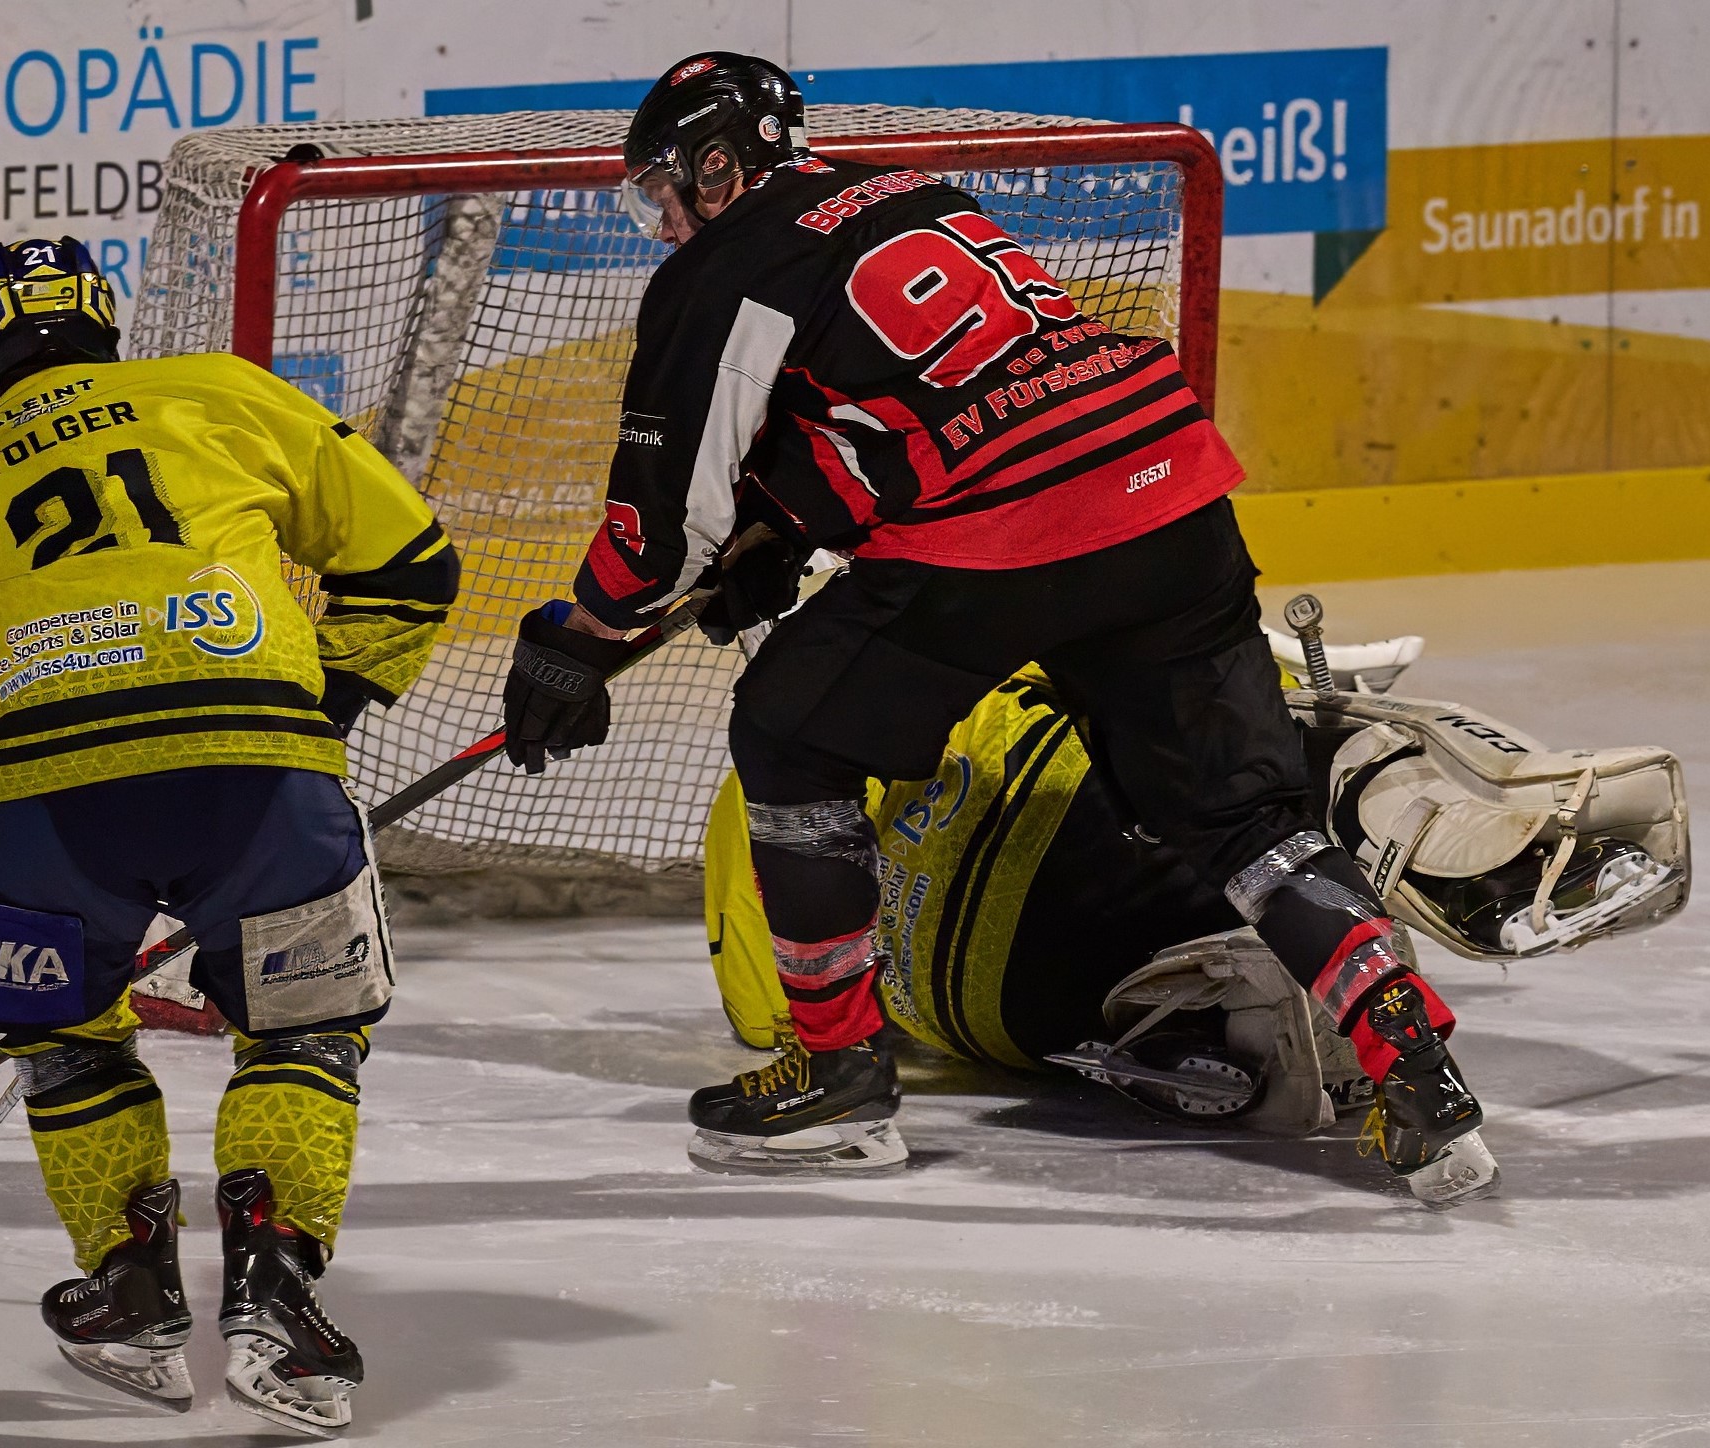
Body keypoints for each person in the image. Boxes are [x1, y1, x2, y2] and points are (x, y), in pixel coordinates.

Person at [498, 52, 1497, 1207]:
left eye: (661, 190)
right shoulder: (914, 195)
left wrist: (577, 639)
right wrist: (774, 539)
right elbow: (900, 409)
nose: (660, 222)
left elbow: (660, 526)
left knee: (787, 735)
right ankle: (1415, 1066)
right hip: (1164, 486)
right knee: (1240, 819)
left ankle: (837, 1079)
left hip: (1010, 527)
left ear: (719, 164)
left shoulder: (725, 261)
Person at [0, 236, 458, 1433]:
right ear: (108, 331)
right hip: (253, 765)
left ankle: (130, 1287)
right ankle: (276, 1285)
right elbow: (413, 561)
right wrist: (323, 703)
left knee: (65, 1036)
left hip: (44, 795)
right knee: (302, 1027)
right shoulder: (219, 393)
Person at [699, 631, 1689, 1158]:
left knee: (1124, 943)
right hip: (1072, 821)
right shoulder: (899, 627)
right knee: (1266, 758)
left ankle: (1185, 1029)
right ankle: (1478, 849)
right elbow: (1116, 646)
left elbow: (764, 1013)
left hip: (993, 1013)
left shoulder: (764, 801)